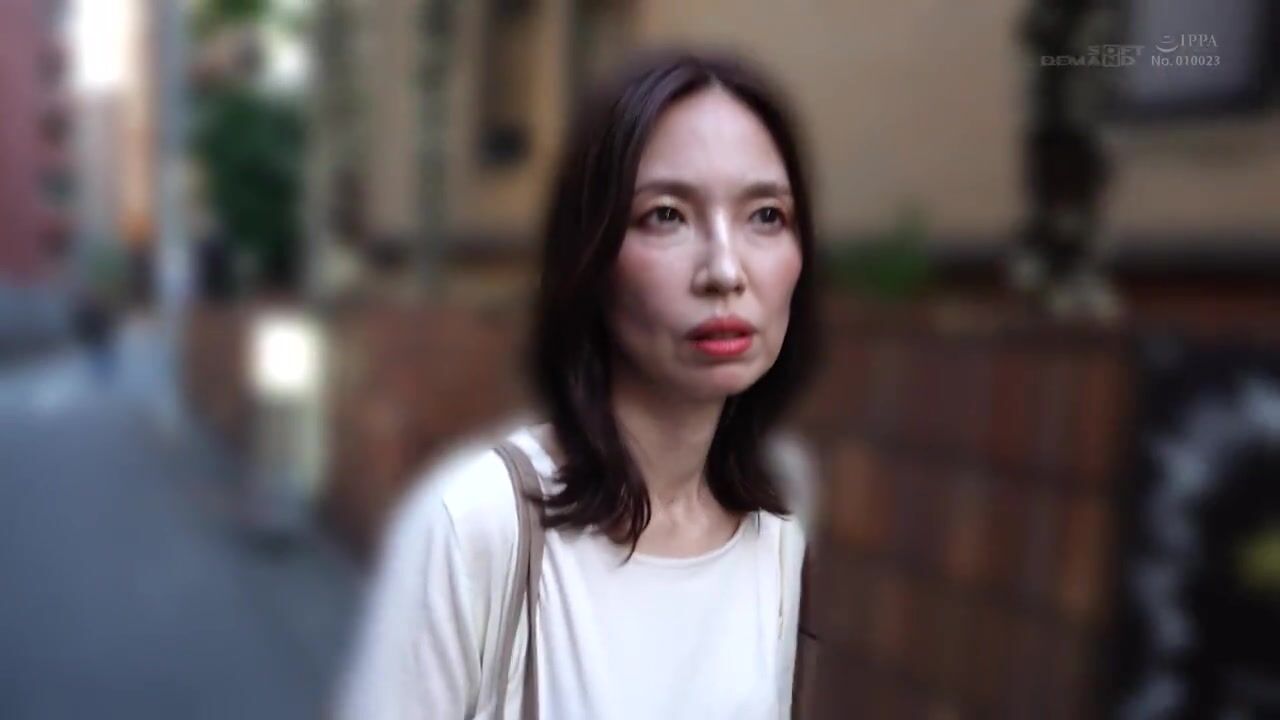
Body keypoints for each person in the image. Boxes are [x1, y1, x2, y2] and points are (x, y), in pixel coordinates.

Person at [337, 49, 823, 719]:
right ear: (590, 255)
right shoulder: (475, 523)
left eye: (765, 215)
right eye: (666, 215)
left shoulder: (779, 520)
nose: (724, 271)